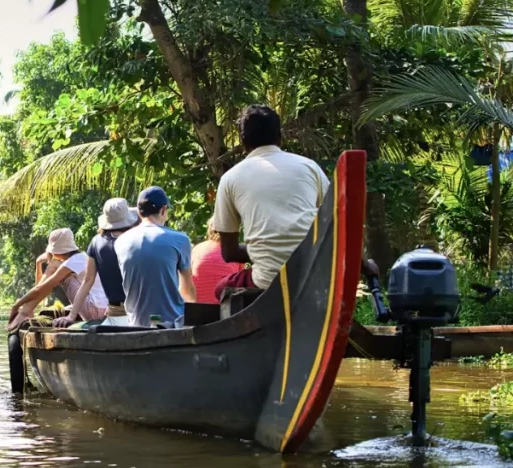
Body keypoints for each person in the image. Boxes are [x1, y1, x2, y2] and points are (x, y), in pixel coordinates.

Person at [213, 106, 378, 300]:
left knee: (221, 288)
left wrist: (266, 249)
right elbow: (339, 226)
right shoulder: (309, 167)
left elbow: (229, 252)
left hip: (266, 281)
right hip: (315, 276)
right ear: (279, 136)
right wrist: (367, 267)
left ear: (243, 142)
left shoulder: (230, 178)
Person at [115, 187, 196, 328]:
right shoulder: (180, 239)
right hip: (171, 324)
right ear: (163, 209)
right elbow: (187, 288)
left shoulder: (120, 241)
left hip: (135, 324)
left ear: (139, 212)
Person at [53, 198, 140, 328]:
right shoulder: (136, 240)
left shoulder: (96, 242)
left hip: (115, 313)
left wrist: (72, 315)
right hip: (139, 312)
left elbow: (88, 281)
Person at [7, 228, 108, 331]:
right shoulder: (80, 257)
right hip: (100, 309)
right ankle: (27, 310)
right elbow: (41, 287)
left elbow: (40, 288)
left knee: (54, 265)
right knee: (54, 267)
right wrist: (38, 263)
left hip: (94, 311)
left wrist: (16, 306)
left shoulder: (71, 262)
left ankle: (25, 312)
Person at [191, 218, 245, 304]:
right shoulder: (235, 252)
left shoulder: (196, 250)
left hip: (197, 309)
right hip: (227, 310)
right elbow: (242, 285)